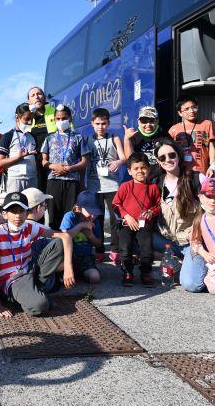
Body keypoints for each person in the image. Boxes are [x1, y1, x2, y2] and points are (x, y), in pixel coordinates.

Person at [0, 192, 73, 317]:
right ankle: (18, 298)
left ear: (27, 213)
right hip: (12, 281)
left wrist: (68, 268)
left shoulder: (29, 226)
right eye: (13, 211)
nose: (18, 215)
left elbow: (65, 236)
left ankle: (31, 293)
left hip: (29, 272)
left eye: (21, 211)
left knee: (58, 243)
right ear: (4, 214)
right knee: (40, 306)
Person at [153, 140, 208, 292]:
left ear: (179, 156)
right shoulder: (156, 182)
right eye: (162, 158)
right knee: (135, 240)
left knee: (192, 285)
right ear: (158, 162)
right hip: (166, 240)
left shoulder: (196, 179)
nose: (168, 160)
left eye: (171, 155)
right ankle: (176, 263)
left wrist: (198, 230)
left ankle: (197, 265)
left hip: (191, 242)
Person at [113, 153, 161, 287]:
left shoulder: (153, 188)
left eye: (143, 168)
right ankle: (127, 272)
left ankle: (145, 272)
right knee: (125, 248)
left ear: (149, 169)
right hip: (127, 223)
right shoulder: (125, 186)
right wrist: (126, 216)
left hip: (144, 224)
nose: (140, 171)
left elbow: (159, 206)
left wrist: (152, 211)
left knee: (147, 249)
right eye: (136, 168)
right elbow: (116, 204)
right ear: (129, 171)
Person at [85, 108, 126, 263]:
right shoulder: (88, 140)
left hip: (113, 185)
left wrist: (118, 161)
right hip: (95, 186)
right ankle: (99, 249)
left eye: (103, 123)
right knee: (97, 219)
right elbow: (85, 161)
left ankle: (115, 249)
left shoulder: (114, 137)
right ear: (92, 124)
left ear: (108, 123)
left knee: (116, 219)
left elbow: (123, 157)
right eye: (97, 124)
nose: (100, 127)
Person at [41, 105, 90, 229]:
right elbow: (44, 161)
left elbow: (85, 162)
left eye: (64, 118)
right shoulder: (49, 138)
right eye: (58, 118)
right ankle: (56, 245)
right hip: (54, 181)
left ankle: (70, 244)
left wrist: (70, 168)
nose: (61, 121)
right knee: (53, 215)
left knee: (70, 215)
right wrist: (55, 166)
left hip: (72, 182)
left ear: (70, 118)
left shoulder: (78, 138)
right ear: (54, 119)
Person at [59, 191, 103, 284]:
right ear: (79, 208)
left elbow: (98, 244)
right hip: (69, 257)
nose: (93, 215)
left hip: (86, 257)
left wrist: (90, 235)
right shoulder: (69, 217)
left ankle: (79, 273)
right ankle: (70, 272)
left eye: (95, 212)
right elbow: (64, 237)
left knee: (95, 278)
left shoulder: (95, 221)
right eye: (90, 212)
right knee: (61, 280)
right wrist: (81, 226)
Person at [169, 95, 215, 177]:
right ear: (180, 113)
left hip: (203, 172)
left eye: (194, 107)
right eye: (186, 109)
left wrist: (212, 167)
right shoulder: (173, 129)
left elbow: (211, 147)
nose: (192, 111)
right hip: (181, 173)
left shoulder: (206, 124)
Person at [0, 103, 38, 193]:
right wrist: (18, 157)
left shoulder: (33, 137)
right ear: (17, 118)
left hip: (32, 179)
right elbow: (0, 162)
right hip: (15, 180)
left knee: (32, 207)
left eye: (31, 119)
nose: (30, 122)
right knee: (16, 207)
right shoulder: (8, 136)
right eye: (27, 119)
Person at [123, 106, 171, 182]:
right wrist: (127, 139)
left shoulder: (165, 135)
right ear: (139, 122)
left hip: (162, 178)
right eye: (144, 121)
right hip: (143, 179)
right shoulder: (134, 136)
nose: (148, 124)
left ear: (157, 120)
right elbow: (130, 158)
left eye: (152, 121)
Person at [28, 86, 57, 192]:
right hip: (34, 163)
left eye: (39, 94)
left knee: (52, 192)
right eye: (33, 95)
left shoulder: (55, 113)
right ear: (29, 101)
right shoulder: (27, 118)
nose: (37, 97)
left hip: (53, 160)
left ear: (44, 97)